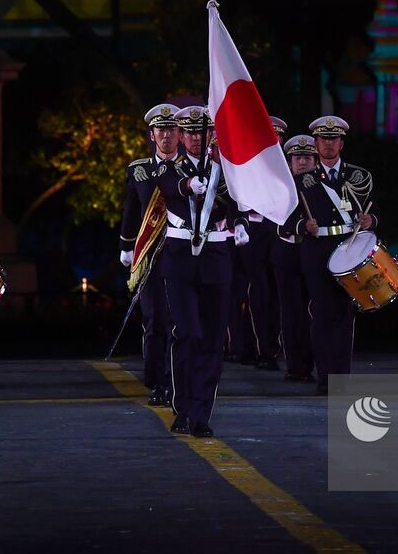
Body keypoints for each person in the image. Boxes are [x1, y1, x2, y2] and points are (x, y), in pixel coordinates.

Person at [153, 106, 247, 436]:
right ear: (180, 135)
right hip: (180, 260)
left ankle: (201, 414)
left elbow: (237, 199)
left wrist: (241, 222)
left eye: (200, 132)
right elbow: (169, 187)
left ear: (210, 136)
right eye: (189, 132)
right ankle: (183, 405)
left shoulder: (225, 169)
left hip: (216, 256)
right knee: (188, 332)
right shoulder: (168, 167)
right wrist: (188, 184)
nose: (195, 138)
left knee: (212, 338)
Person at [281, 116, 379, 394]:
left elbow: (377, 208)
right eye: (324, 139)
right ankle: (325, 377)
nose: (328, 144)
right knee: (323, 314)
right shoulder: (303, 181)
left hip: (350, 249)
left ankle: (342, 378)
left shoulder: (359, 176)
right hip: (318, 251)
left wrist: (372, 218)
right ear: (316, 143)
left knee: (345, 316)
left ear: (341, 143)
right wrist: (303, 226)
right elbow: (285, 220)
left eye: (333, 139)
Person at [119, 103, 181, 406]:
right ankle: (156, 381)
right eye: (161, 130)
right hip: (148, 254)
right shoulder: (139, 170)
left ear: (179, 134)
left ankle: (175, 381)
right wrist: (126, 246)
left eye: (171, 129)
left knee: (176, 320)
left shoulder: (189, 169)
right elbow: (131, 211)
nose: (166, 135)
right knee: (154, 319)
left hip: (182, 254)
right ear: (152, 134)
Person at [236, 116, 289, 370]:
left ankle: (271, 346)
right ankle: (260, 349)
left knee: (277, 291)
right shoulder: (249, 164)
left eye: (276, 138)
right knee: (258, 291)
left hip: (278, 230)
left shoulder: (286, 166)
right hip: (255, 230)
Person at [275, 135, 318, 382]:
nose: (302, 162)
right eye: (297, 158)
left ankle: (314, 361)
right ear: (289, 161)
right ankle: (295, 366)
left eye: (307, 157)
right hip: (289, 254)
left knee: (317, 311)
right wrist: (302, 226)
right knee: (291, 313)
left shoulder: (323, 186)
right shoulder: (283, 187)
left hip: (314, 253)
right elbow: (280, 223)